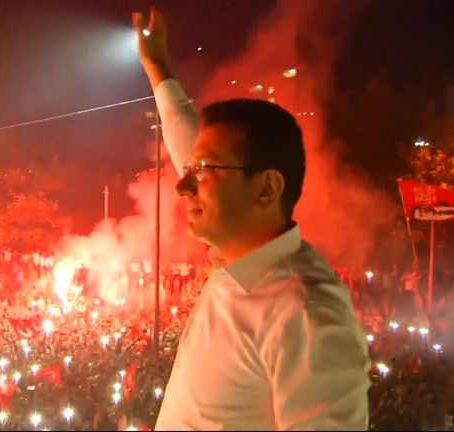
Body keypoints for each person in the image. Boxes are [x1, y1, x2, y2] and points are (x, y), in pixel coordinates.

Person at [133, 8, 371, 430]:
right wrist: (158, 69)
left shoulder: (305, 315)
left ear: (266, 189)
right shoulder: (241, 261)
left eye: (203, 170)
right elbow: (185, 134)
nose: (183, 185)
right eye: (190, 169)